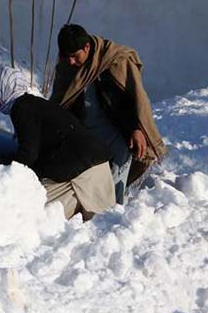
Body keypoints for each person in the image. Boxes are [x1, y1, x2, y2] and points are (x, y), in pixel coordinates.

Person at [51, 24, 166, 204]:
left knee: (113, 188)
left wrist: (136, 129)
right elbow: (60, 100)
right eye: (67, 56)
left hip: (116, 134)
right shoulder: (67, 66)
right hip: (82, 133)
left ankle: (114, 218)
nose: (71, 61)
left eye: (75, 56)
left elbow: (135, 98)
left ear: (87, 47)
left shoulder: (115, 60)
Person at [0, 93, 116, 220]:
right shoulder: (36, 104)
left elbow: (28, 155)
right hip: (99, 167)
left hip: (79, 178)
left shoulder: (21, 107)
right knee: (101, 231)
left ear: (3, 89)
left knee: (32, 218)